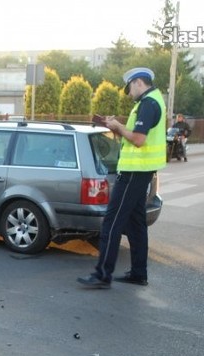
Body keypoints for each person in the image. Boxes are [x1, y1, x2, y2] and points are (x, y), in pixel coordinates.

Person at [78, 67, 166, 289]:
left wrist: (118, 126)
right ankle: (138, 273)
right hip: (141, 171)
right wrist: (117, 129)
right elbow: (136, 137)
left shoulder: (148, 104)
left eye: (129, 88)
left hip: (134, 172)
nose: (128, 94)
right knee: (136, 223)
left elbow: (138, 139)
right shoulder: (152, 101)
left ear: (138, 82)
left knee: (112, 221)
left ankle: (102, 275)